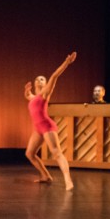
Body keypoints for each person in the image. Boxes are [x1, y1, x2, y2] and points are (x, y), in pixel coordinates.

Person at [24, 52, 77, 191]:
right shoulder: (34, 97)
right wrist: (26, 93)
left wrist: (66, 63)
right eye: (38, 79)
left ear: (46, 84)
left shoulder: (45, 93)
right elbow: (30, 97)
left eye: (43, 79)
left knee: (56, 153)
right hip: (37, 129)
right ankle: (46, 176)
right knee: (30, 153)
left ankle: (68, 180)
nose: (40, 80)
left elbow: (54, 75)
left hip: (47, 126)